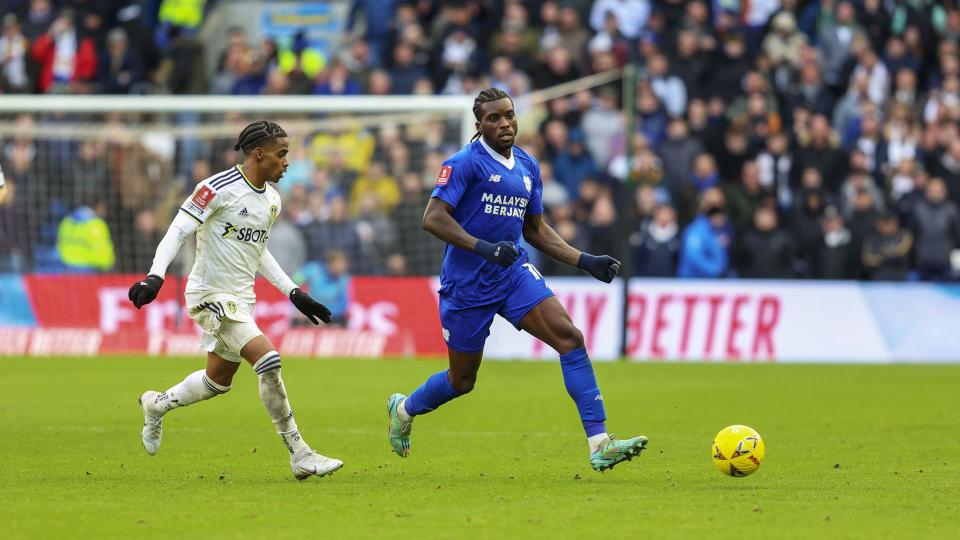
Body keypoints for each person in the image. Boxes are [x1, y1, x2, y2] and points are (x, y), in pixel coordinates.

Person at [386, 89, 647, 472]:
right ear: (479, 125)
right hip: (467, 286)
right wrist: (485, 248)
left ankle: (599, 443)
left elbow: (535, 231)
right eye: (494, 118)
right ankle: (404, 409)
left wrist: (584, 260)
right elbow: (433, 218)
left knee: (569, 338)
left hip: (511, 275)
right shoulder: (464, 163)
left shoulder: (527, 165)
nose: (505, 123)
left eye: (509, 115)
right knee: (462, 381)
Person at [127, 121, 343, 480]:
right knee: (269, 360)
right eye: (281, 154)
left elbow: (259, 252)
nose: (287, 162)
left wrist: (294, 293)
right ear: (258, 154)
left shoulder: (272, 199)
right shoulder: (215, 188)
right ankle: (300, 454)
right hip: (209, 295)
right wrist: (155, 276)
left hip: (242, 299)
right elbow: (178, 230)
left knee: (217, 382)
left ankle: (156, 404)